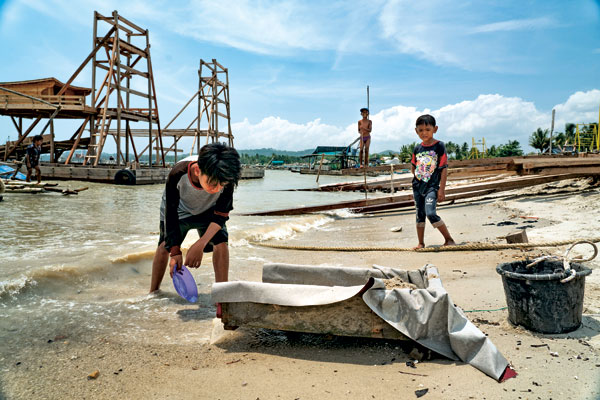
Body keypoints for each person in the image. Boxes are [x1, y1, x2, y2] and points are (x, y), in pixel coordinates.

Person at [149, 143, 241, 293]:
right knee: (164, 245)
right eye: (212, 183)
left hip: (210, 210)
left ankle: (222, 295)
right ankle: (153, 292)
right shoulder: (178, 174)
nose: (217, 189)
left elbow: (221, 215)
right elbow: (170, 213)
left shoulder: (226, 177)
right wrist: (175, 251)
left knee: (221, 243)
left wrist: (200, 244)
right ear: (198, 171)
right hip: (179, 211)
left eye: (221, 185)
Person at [410, 114, 455, 249]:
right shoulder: (417, 148)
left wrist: (441, 189)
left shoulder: (439, 146)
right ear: (416, 131)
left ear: (435, 129)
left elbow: (444, 169)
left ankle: (449, 239)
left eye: (427, 129)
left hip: (432, 187)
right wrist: (421, 175)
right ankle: (421, 243)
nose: (424, 133)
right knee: (420, 214)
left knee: (430, 213)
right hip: (418, 187)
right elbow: (413, 167)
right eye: (421, 130)